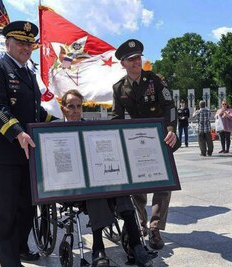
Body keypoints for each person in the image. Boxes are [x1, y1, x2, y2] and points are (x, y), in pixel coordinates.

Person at [0, 21, 57, 267]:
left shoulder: (28, 73)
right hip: (1, 153)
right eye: (21, 42)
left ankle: (20, 248)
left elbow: (34, 111)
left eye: (29, 43)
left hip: (27, 154)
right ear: (8, 43)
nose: (26, 47)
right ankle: (6, 262)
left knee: (25, 209)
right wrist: (17, 131)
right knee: (2, 214)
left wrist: (60, 123)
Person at [59, 89, 153, 267]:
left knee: (120, 190)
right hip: (72, 183)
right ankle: (98, 247)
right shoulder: (53, 131)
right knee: (97, 191)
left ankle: (136, 245)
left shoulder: (92, 128)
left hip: (96, 179)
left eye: (79, 106)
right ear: (63, 109)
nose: (75, 110)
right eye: (71, 106)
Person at [112, 39, 180, 250]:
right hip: (135, 142)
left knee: (163, 185)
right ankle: (141, 225)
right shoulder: (119, 88)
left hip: (160, 139)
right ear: (123, 63)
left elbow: (169, 106)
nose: (136, 62)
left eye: (138, 58)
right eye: (131, 60)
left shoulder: (155, 81)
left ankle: (155, 227)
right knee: (137, 188)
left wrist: (171, 130)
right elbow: (116, 117)